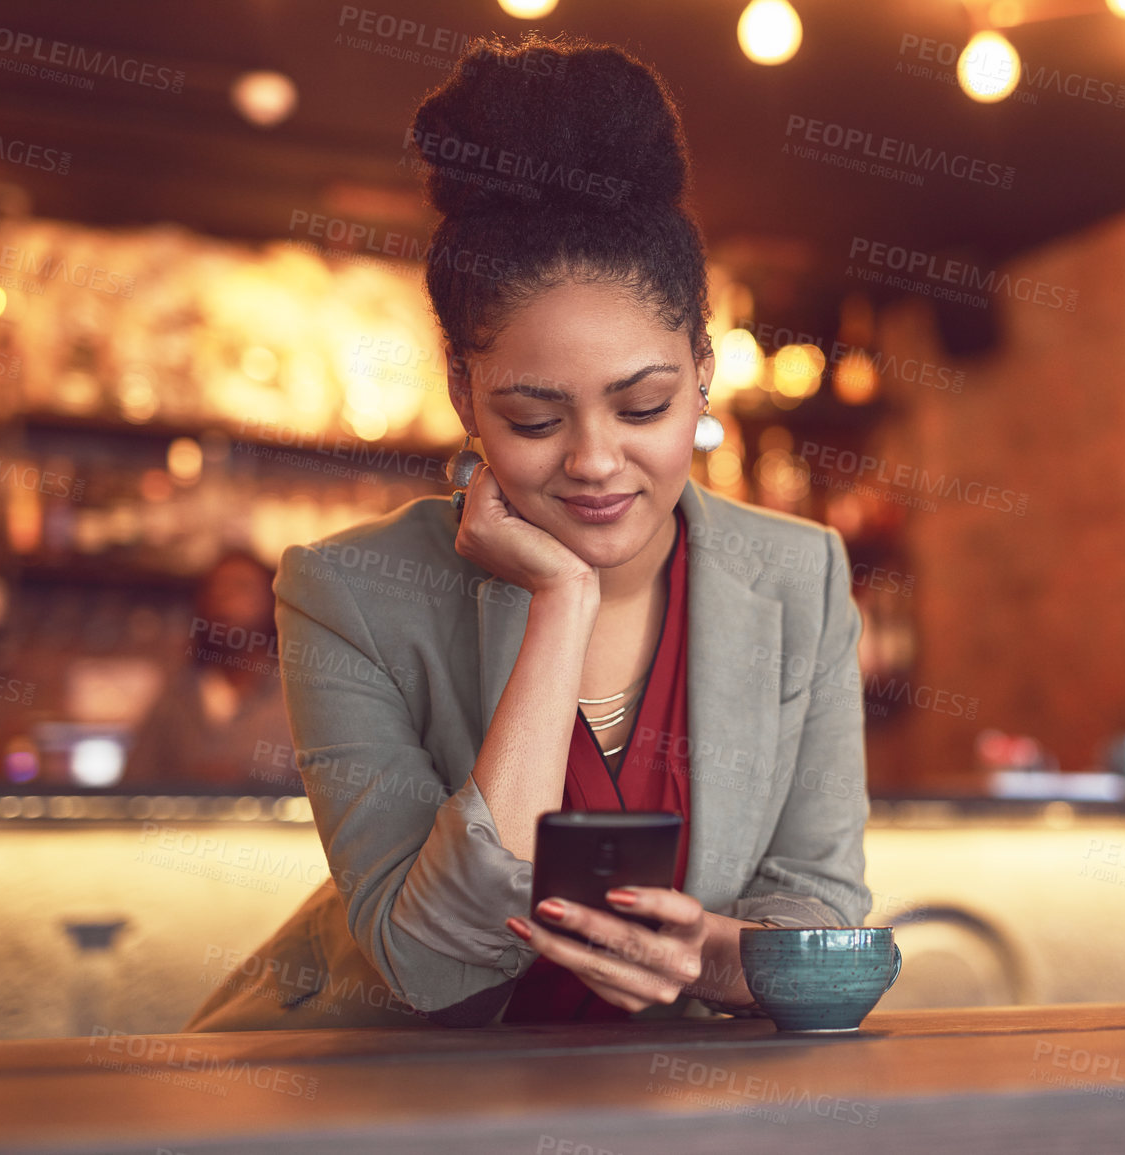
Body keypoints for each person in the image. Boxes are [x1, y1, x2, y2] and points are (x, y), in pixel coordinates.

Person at [184, 31, 871, 1031]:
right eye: (536, 421)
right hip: (374, 1096)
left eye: (642, 408)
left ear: (704, 365)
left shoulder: (800, 576)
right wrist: (561, 603)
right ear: (463, 389)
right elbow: (424, 957)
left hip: (661, 1104)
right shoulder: (347, 595)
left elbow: (820, 906)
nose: (594, 461)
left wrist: (712, 960)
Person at [123, 550, 298, 792]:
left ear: (273, 603)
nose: (223, 596)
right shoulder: (175, 697)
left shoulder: (297, 697)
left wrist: (245, 783)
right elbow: (130, 789)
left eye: (241, 587)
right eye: (214, 588)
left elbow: (325, 799)